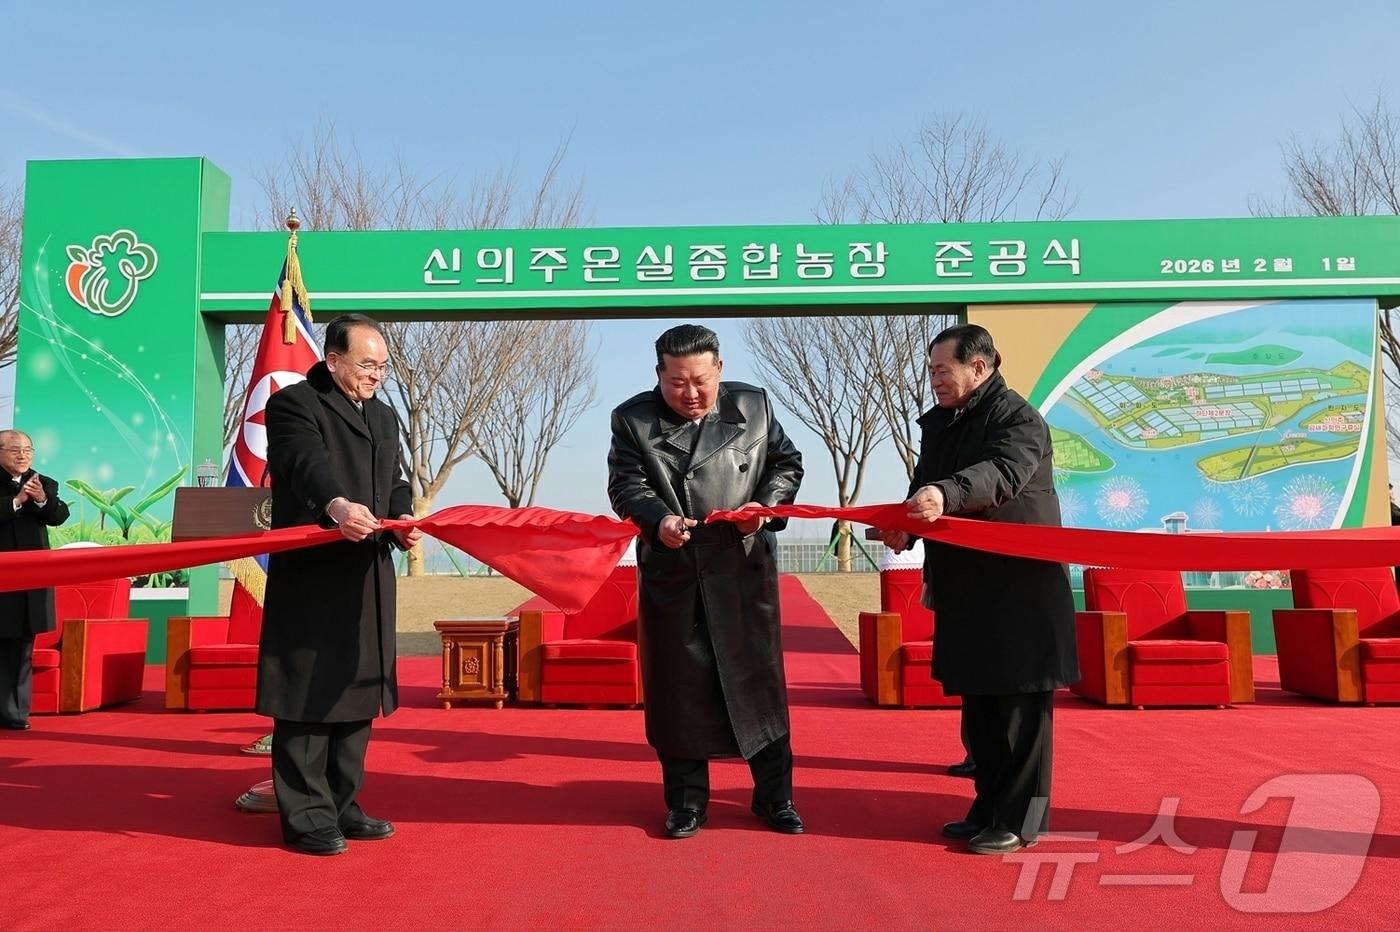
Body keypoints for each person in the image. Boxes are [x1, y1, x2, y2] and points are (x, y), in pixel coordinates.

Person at [881, 323, 1078, 855]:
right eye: (931, 372)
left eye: (943, 371)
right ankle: (988, 807)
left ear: (980, 367)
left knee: (1020, 711)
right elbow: (925, 483)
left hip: (1020, 587)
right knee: (983, 709)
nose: (935, 382)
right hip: (968, 585)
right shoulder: (943, 424)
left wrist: (944, 495)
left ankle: (1020, 820)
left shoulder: (1018, 418)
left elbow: (1000, 474)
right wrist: (905, 521)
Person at [607, 323, 805, 839]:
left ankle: (775, 797)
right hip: (676, 569)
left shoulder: (754, 405)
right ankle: (687, 801)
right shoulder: (633, 420)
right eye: (676, 382)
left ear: (720, 370)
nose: (690, 394)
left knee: (758, 686)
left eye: (700, 380)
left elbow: (786, 463)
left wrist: (765, 507)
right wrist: (658, 521)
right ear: (658, 376)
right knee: (680, 691)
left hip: (742, 566)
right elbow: (626, 485)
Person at [256, 314, 421, 856]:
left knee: (357, 686)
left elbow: (394, 481)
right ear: (333, 360)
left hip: (369, 573)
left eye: (383, 367)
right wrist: (336, 507)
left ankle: (344, 804)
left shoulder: (385, 416)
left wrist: (403, 523)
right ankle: (305, 816)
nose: (377, 376)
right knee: (308, 693)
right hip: (314, 572)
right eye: (367, 365)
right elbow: (304, 464)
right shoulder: (294, 403)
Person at [0, 430, 70, 730]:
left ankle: (16, 714)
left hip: (30, 584)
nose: (22, 455)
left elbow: (58, 515)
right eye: (15, 449)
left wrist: (40, 499)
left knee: (22, 649)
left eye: (28, 449)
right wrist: (17, 501)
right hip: (2, 581)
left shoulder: (43, 482)